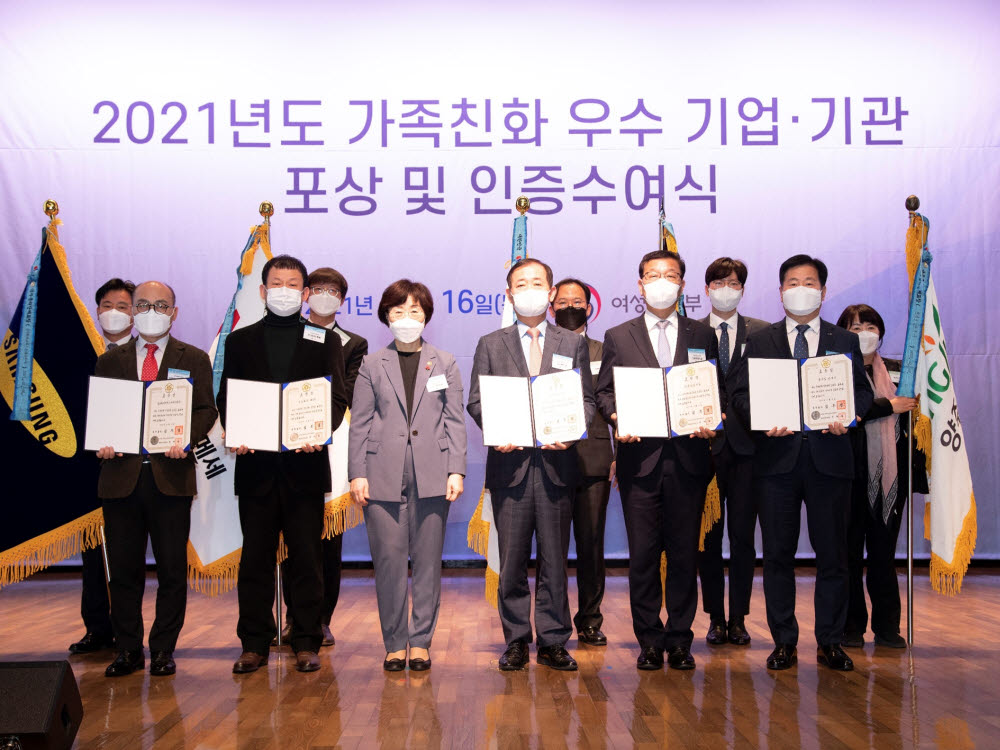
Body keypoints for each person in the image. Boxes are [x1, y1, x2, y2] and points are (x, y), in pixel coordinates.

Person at [728, 254, 874, 672]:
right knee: (777, 556)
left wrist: (851, 415)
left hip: (830, 460)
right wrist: (762, 420)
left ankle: (830, 641)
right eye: (793, 282)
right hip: (776, 462)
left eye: (809, 282)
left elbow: (861, 393)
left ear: (823, 292)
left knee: (834, 557)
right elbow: (739, 394)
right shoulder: (759, 341)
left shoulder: (844, 341)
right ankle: (784, 642)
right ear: (780, 292)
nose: (801, 288)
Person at [218, 255, 348, 674]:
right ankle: (253, 642)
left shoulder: (324, 340)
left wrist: (318, 430)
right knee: (254, 559)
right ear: (262, 291)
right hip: (255, 467)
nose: (285, 291)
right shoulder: (238, 341)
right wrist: (237, 428)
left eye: (294, 285)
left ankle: (306, 639)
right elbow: (226, 396)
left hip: (305, 467)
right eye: (278, 283)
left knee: (307, 559)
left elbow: (337, 397)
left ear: (306, 293)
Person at [594, 248, 722, 671]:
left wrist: (712, 417)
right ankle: (649, 639)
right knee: (644, 556)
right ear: (640, 284)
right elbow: (604, 392)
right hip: (639, 461)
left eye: (670, 275)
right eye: (653, 275)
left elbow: (713, 386)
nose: (662, 281)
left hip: (689, 459)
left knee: (686, 555)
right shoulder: (619, 335)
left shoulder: (702, 335)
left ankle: (681, 640)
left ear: (683, 284)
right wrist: (616, 417)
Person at [467, 258, 596, 672]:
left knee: (556, 561)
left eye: (537, 282)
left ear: (551, 291)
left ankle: (555, 640)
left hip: (559, 465)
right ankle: (517, 639)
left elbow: (588, 400)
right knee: (513, 560)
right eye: (521, 283)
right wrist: (498, 428)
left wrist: (573, 428)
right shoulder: (491, 343)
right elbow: (476, 399)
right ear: (508, 294)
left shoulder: (571, 343)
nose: (529, 289)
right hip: (510, 466)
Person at [96, 280, 217, 677]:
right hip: (121, 478)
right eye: (144, 304)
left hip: (170, 477)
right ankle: (128, 649)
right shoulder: (109, 361)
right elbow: (102, 413)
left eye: (160, 305)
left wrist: (187, 439)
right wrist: (103, 440)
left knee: (171, 570)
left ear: (174, 313)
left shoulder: (194, 358)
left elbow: (206, 411)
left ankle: (163, 649)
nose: (151, 311)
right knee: (124, 571)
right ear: (132, 311)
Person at [348, 280, 466, 671]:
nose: (406, 318)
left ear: (426, 316)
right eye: (398, 311)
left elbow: (455, 421)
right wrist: (356, 473)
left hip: (433, 473)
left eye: (414, 311)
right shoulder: (371, 364)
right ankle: (395, 641)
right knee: (389, 562)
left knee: (429, 562)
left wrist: (456, 469)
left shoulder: (445, 361)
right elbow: (360, 423)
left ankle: (421, 642)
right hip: (381, 472)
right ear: (386, 316)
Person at [276, 267, 368, 648]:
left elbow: (347, 391)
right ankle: (292, 618)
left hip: (332, 448)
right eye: (319, 289)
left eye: (334, 291)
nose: (325, 295)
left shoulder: (354, 343)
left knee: (328, 546)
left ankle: (321, 619)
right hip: (285, 450)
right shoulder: (284, 333)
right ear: (307, 293)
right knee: (289, 544)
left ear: (342, 300)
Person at [836, 303, 927, 649]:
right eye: (854, 327)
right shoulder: (834, 370)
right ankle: (851, 626)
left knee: (883, 557)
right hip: (846, 475)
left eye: (869, 326)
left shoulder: (901, 370)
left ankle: (888, 627)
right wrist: (889, 406)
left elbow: (916, 418)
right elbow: (850, 411)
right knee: (847, 556)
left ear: (881, 331)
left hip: (889, 478)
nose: (863, 334)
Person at [696, 258, 768, 647]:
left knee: (743, 538)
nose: (726, 287)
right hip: (703, 449)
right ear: (706, 289)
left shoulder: (761, 334)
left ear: (743, 288)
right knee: (708, 538)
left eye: (734, 282)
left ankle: (738, 617)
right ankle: (714, 618)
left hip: (747, 449)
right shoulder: (689, 332)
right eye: (719, 282)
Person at [69, 278, 135, 656]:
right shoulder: (80, 354)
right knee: (93, 552)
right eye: (106, 305)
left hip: (136, 468)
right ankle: (97, 627)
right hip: (90, 466)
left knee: (127, 557)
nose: (114, 312)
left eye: (123, 306)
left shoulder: (147, 356)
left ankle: (130, 635)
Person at [550, 278, 615, 647]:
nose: (569, 307)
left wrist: (619, 456)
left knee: (591, 544)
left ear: (589, 309)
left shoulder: (605, 349)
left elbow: (615, 404)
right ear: (551, 307)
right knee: (551, 548)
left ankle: (590, 620)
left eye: (577, 301)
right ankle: (553, 622)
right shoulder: (539, 348)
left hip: (593, 459)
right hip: (550, 458)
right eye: (562, 302)